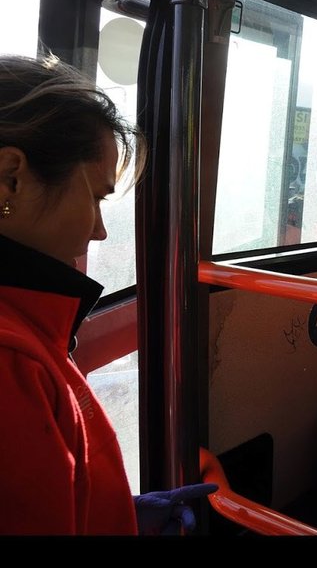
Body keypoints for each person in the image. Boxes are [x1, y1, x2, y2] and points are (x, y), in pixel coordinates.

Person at [0, 55, 214, 535]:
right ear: (10, 177)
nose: (98, 231)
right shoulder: (10, 360)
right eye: (96, 197)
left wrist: (113, 509)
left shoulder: (26, 331)